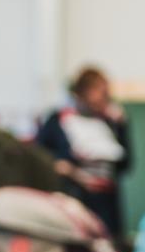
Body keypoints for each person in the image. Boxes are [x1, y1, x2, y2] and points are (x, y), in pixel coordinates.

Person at [34, 66, 131, 238]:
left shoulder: (110, 122)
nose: (105, 98)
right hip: (74, 202)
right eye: (100, 92)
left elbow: (125, 165)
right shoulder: (58, 121)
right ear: (83, 92)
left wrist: (122, 127)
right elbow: (39, 158)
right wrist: (70, 171)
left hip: (107, 207)